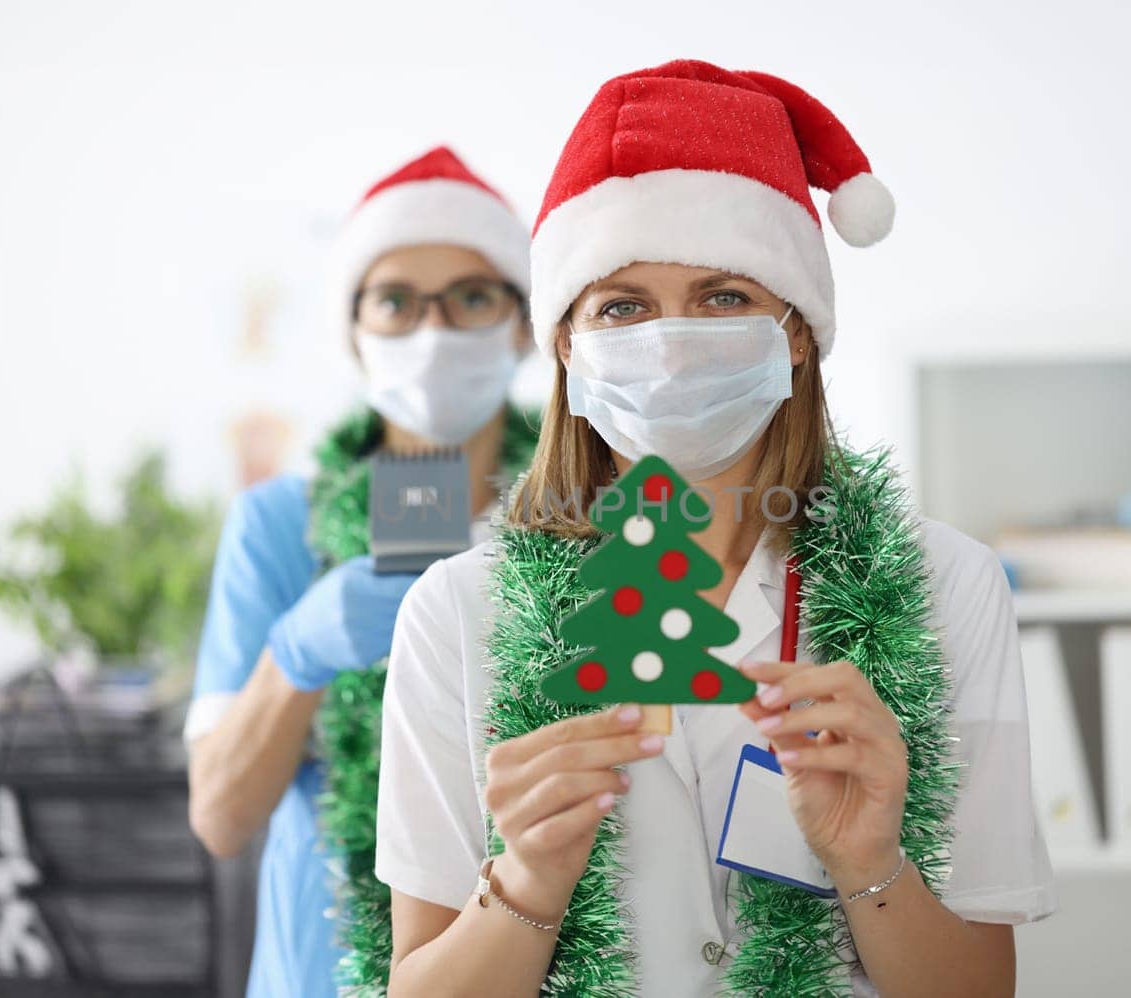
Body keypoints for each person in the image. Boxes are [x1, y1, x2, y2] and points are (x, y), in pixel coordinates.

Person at [374, 62, 1056, 997]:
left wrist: (870, 861)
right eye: (622, 305)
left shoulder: (949, 587)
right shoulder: (455, 614)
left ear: (799, 329)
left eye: (725, 294)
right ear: (566, 342)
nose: (671, 343)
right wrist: (527, 881)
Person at [184, 146, 537, 998]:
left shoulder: (587, 519)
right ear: (355, 333)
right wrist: (298, 649)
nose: (434, 331)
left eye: (473, 296)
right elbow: (221, 818)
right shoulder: (279, 526)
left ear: (525, 324)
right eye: (396, 302)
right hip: (323, 972)